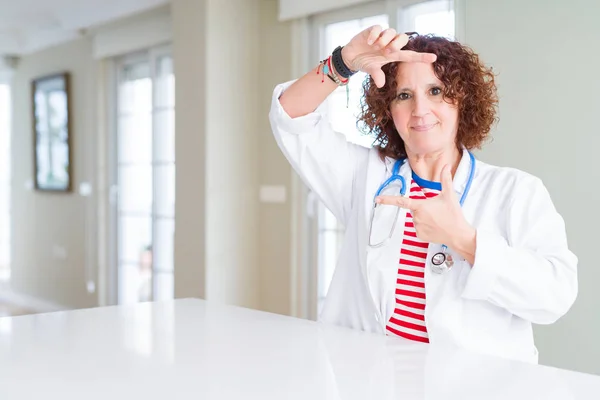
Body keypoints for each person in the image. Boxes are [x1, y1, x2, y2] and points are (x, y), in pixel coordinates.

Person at [268, 26, 578, 364]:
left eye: (435, 91)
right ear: (388, 109)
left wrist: (465, 241)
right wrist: (343, 62)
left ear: (464, 102)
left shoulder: (515, 192)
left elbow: (555, 296)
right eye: (403, 95)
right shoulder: (365, 176)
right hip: (368, 381)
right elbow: (290, 117)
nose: (420, 109)